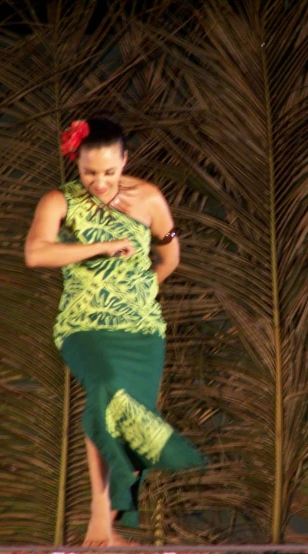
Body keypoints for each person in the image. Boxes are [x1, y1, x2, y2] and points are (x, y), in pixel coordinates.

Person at [25, 114, 206, 546]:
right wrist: (103, 247)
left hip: (141, 328)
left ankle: (108, 525)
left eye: (110, 171)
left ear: (125, 160)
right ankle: (97, 514)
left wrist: (140, 290)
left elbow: (170, 256)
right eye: (89, 173)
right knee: (106, 388)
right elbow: (36, 254)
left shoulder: (148, 198)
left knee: (130, 419)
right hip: (84, 324)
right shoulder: (61, 201)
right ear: (76, 164)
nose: (100, 182)